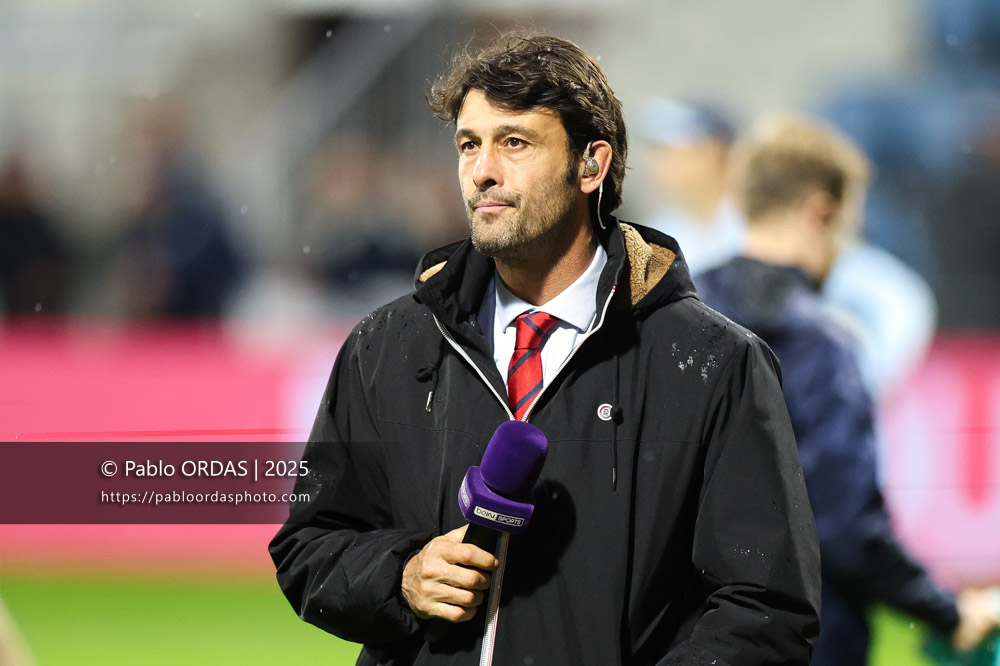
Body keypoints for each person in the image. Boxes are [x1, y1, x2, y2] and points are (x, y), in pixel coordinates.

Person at [270, 33, 821, 666]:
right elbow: (310, 548)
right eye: (469, 144)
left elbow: (766, 609)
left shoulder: (713, 362)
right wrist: (402, 575)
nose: (482, 171)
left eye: (514, 142)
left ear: (591, 166)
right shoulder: (386, 346)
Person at [696, 113, 1000, 666]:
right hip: (802, 641)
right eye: (849, 228)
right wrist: (948, 612)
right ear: (820, 212)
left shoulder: (671, 319)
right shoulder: (822, 346)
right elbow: (843, 527)